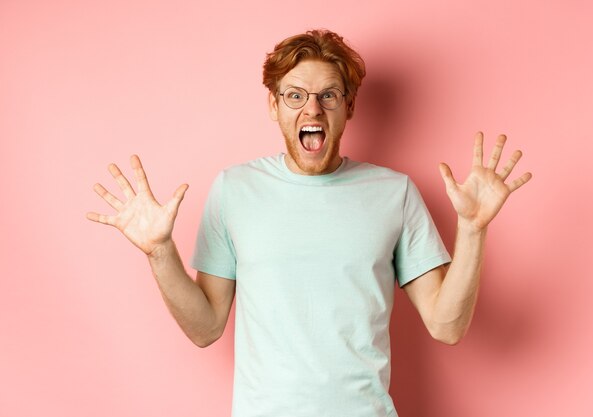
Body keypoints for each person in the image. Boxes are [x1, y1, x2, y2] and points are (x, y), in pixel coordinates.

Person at [87, 29, 531, 417]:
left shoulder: (394, 193)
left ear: (348, 107)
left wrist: (473, 230)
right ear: (274, 106)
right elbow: (205, 328)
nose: (312, 109)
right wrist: (160, 252)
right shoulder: (235, 190)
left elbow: (446, 325)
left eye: (328, 95)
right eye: (295, 95)